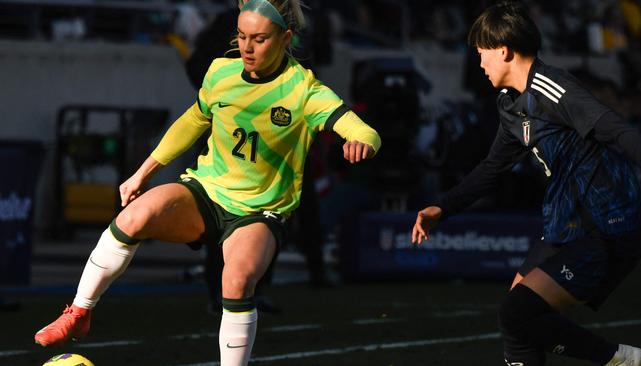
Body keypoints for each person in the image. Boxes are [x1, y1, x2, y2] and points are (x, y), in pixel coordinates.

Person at [34, 1, 381, 366]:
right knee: (134, 216)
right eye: (242, 36)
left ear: (285, 37)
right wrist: (143, 173)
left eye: (259, 39)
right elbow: (192, 122)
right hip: (205, 191)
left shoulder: (304, 91)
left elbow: (364, 130)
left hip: (258, 211)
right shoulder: (221, 73)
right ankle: (79, 312)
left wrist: (361, 142)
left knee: (236, 279)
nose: (247, 47)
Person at [412, 2, 641, 366]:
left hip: (607, 224)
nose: (479, 63)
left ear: (503, 50)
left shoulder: (553, 88)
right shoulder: (510, 104)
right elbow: (493, 167)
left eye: (481, 53)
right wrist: (442, 207)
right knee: (515, 321)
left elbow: (618, 132)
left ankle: (620, 360)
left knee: (517, 313)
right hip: (566, 224)